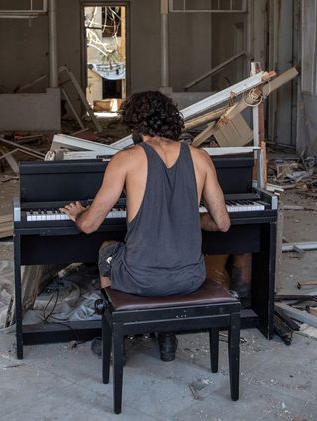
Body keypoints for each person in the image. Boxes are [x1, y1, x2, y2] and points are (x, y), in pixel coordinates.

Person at [60, 91, 231, 362]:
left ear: (136, 126)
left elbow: (90, 226)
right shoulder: (200, 158)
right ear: (171, 121)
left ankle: (117, 335)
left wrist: (79, 214)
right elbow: (222, 223)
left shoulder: (126, 159)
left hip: (141, 278)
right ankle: (166, 335)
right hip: (190, 278)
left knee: (107, 248)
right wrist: (188, 218)